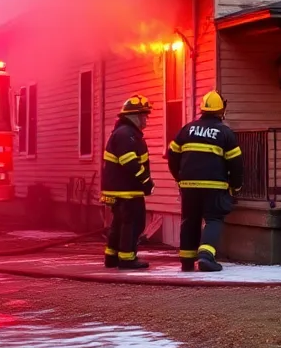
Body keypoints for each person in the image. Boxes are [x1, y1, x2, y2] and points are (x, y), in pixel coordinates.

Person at [167, 90, 244, 272]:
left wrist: (179, 177)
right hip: (214, 185)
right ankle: (206, 257)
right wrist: (236, 185)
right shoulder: (225, 133)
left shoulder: (186, 130)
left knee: (189, 220)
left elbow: (172, 156)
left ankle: (186, 261)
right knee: (213, 219)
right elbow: (236, 164)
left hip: (188, 185)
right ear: (221, 112)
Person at [101, 95, 155, 270]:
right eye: (144, 115)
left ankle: (112, 257)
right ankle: (127, 258)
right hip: (126, 189)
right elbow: (129, 162)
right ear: (134, 116)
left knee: (120, 222)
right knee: (134, 222)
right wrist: (146, 180)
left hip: (120, 188)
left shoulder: (124, 133)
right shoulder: (127, 134)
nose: (146, 119)